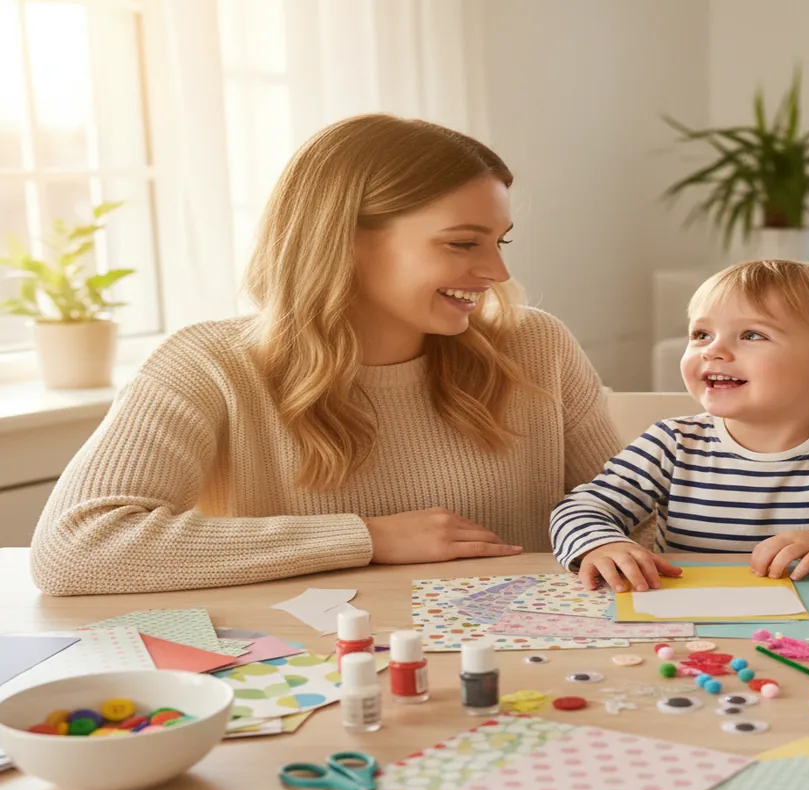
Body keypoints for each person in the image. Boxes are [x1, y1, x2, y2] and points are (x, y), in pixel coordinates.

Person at [31, 115, 621, 595]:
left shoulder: (535, 346)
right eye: (463, 243)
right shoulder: (209, 365)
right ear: (344, 238)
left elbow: (636, 517)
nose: (497, 272)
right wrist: (368, 538)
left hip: (534, 667)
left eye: (500, 241)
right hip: (311, 673)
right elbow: (74, 550)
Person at [550, 259, 809, 592]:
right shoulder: (672, 443)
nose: (713, 351)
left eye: (752, 335)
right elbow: (581, 508)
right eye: (700, 335)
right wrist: (600, 543)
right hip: (690, 622)